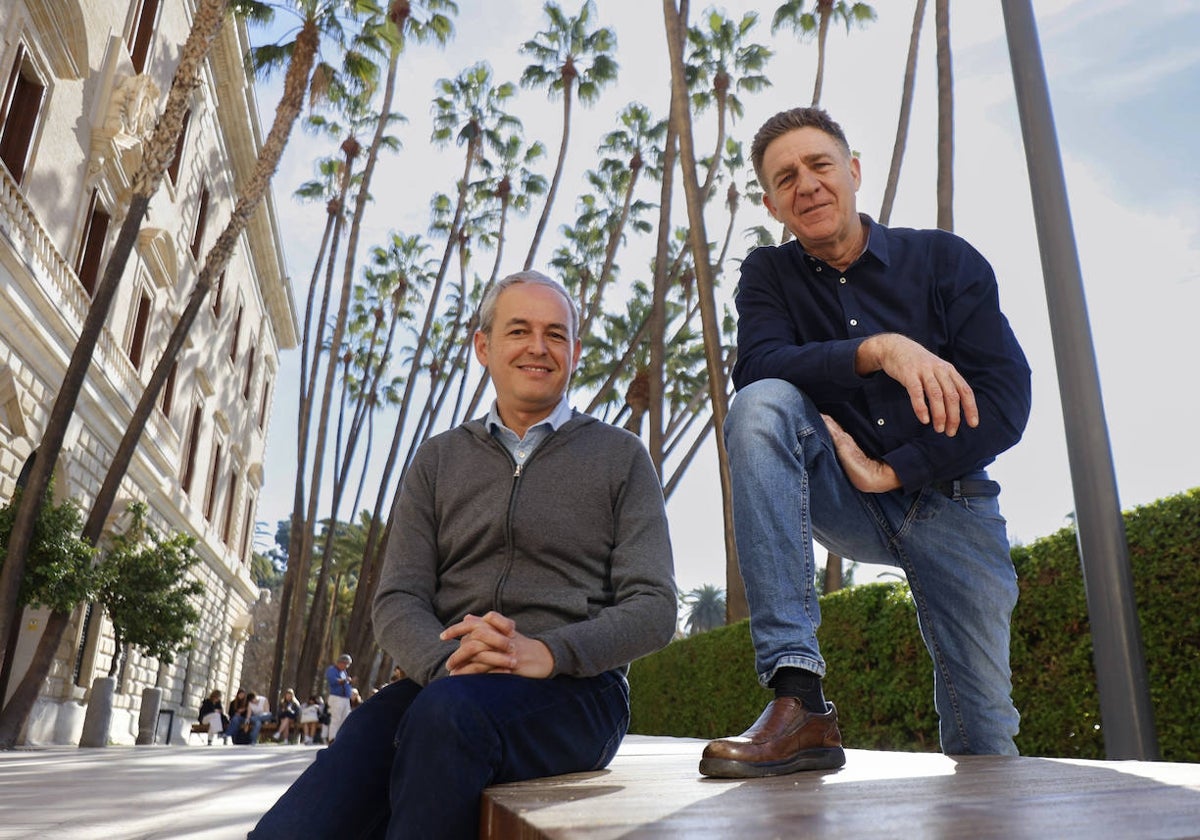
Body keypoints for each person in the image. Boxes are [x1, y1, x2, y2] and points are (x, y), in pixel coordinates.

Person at [251, 270, 676, 839]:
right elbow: (399, 597)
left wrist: (546, 651)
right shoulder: (437, 460)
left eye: (555, 334)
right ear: (484, 346)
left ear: (575, 352)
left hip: (578, 693)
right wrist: (446, 662)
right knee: (346, 766)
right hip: (443, 681)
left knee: (447, 719)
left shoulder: (621, 457)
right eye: (519, 330)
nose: (538, 347)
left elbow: (654, 605)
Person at [700, 107, 1031, 779]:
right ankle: (800, 699)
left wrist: (895, 467)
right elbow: (758, 366)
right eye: (786, 177)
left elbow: (1006, 401)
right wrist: (876, 351)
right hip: (843, 496)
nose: (808, 185)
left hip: (952, 505)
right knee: (761, 406)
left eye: (820, 165)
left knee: (986, 734)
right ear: (772, 203)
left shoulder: (944, 260)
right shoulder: (769, 275)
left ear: (852, 171)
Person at [324, 653, 353, 744]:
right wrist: (345, 680)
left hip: (345, 698)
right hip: (336, 698)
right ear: (341, 663)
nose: (346, 666)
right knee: (336, 718)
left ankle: (341, 738)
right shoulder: (332, 670)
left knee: (345, 719)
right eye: (346, 664)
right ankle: (332, 739)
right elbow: (333, 681)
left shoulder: (343, 672)